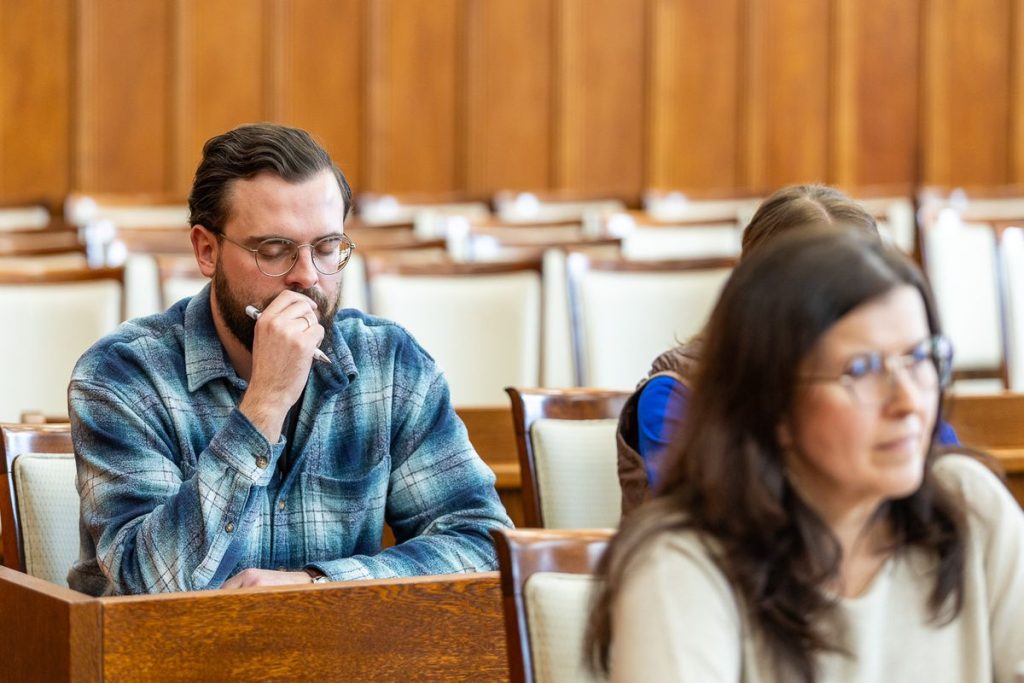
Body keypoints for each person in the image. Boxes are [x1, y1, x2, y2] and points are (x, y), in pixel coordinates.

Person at [68, 123, 513, 595]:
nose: (307, 277)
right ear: (206, 249)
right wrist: (264, 404)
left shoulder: (390, 364)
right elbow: (151, 590)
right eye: (274, 251)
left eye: (326, 248)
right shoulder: (121, 377)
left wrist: (317, 585)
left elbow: (482, 543)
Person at [588, 228, 1024, 682]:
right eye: (862, 369)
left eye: (920, 358)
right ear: (769, 399)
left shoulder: (970, 505)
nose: (909, 401)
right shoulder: (681, 560)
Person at [616, 185, 959, 512]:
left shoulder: (899, 381)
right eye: (822, 299)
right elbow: (711, 535)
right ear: (760, 297)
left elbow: (945, 487)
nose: (838, 317)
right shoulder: (677, 393)